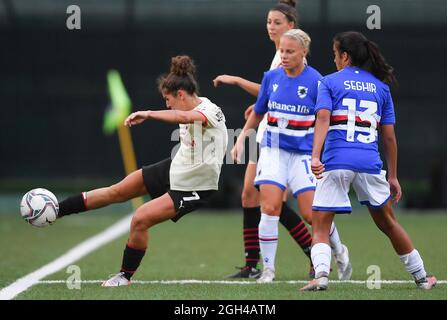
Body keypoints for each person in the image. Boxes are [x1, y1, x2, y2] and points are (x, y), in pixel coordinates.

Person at [55, 55, 228, 286]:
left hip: (196, 185)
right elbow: (180, 115)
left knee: (140, 219)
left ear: (181, 95)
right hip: (176, 166)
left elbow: (184, 116)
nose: (167, 105)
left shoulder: (211, 111)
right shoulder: (184, 104)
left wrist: (147, 113)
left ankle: (124, 276)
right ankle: (56, 210)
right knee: (116, 191)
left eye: (168, 99)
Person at [300, 31, 437, 291]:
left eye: (335, 55)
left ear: (345, 56)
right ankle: (422, 277)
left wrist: (315, 156)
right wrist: (393, 176)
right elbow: (389, 138)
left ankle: (320, 276)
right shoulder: (381, 88)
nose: (335, 60)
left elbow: (323, 120)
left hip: (337, 161)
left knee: (321, 223)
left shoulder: (328, 82)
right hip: (369, 163)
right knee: (388, 223)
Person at [231, 28, 350, 283]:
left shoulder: (317, 82)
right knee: (270, 207)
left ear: (303, 52)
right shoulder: (271, 77)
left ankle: (339, 250)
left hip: (303, 155)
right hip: (273, 151)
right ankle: (269, 270)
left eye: (289, 51)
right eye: (281, 51)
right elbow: (258, 112)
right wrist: (241, 139)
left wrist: (321, 153)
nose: (283, 55)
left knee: (312, 215)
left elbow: (324, 120)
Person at [213, 0, 319, 280]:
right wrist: (261, 106)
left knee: (269, 202)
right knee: (251, 195)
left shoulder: (292, 54)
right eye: (269, 22)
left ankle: (315, 251)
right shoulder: (279, 54)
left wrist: (237, 81)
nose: (271, 27)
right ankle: (254, 264)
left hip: (285, 140)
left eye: (277, 23)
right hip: (268, 133)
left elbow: (276, 89)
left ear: (291, 27)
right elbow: (273, 92)